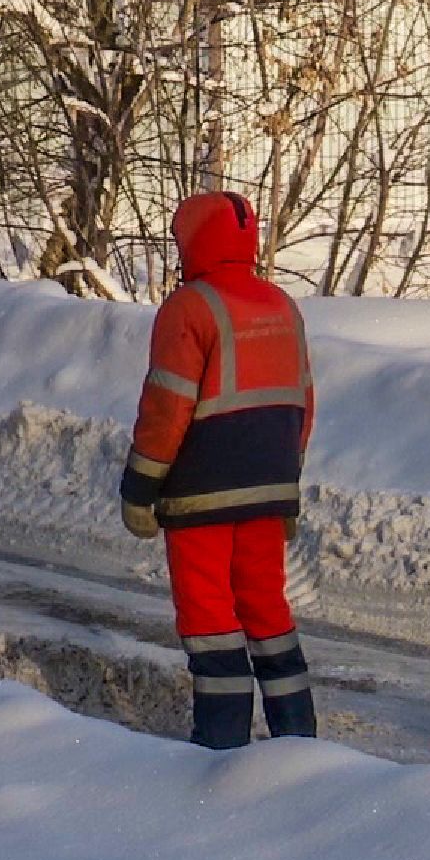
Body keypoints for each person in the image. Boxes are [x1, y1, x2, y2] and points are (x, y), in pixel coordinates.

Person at [119, 190, 317, 749]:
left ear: (194, 242)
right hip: (269, 488)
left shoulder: (190, 307)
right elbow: (302, 402)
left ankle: (221, 747)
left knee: (209, 615)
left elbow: (167, 407)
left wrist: (140, 485)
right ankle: (298, 741)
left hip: (200, 494)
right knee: (266, 608)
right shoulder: (282, 305)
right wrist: (286, 487)